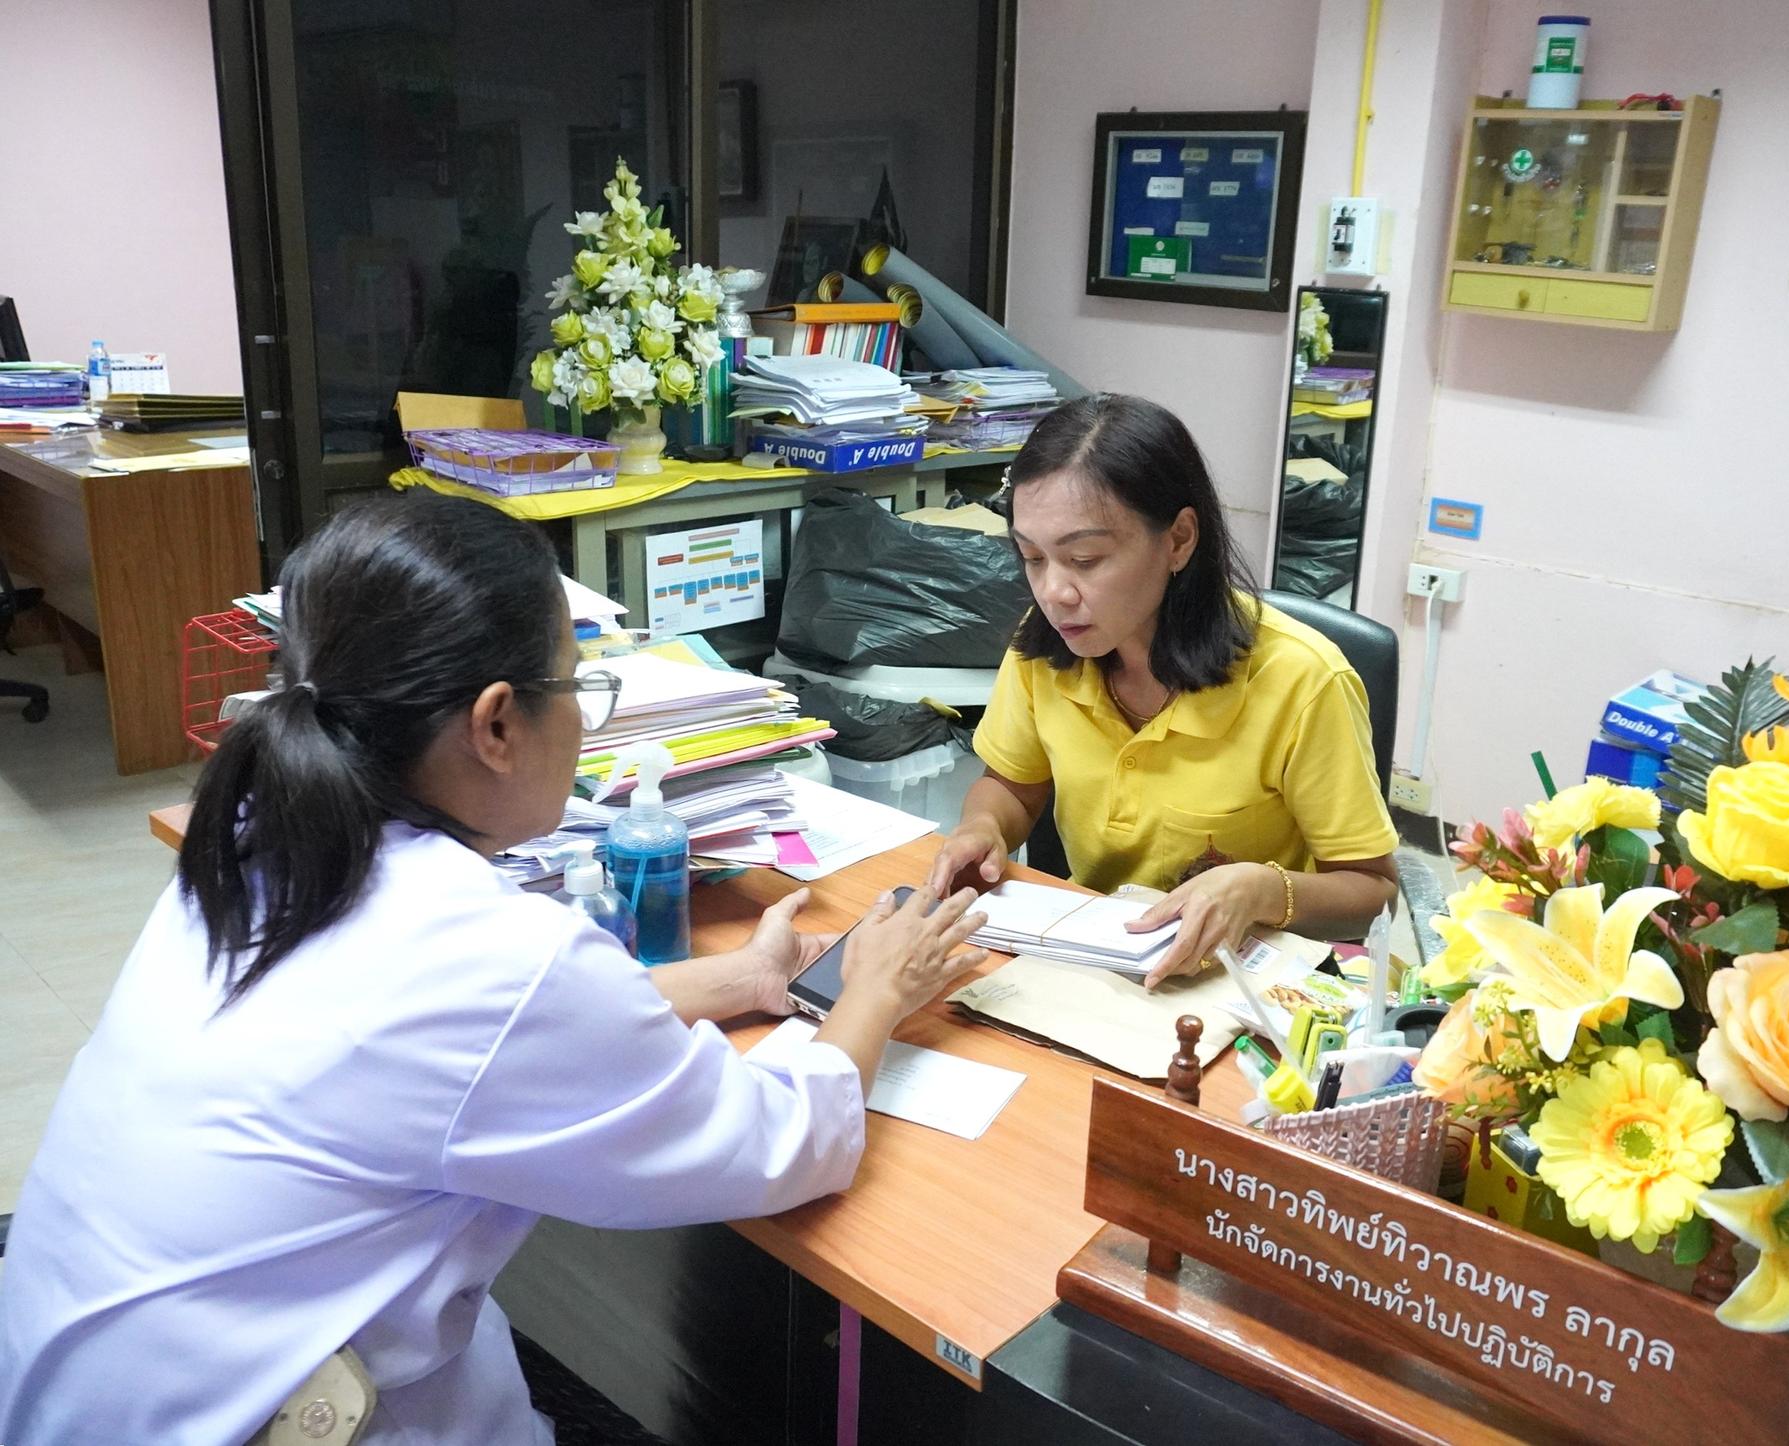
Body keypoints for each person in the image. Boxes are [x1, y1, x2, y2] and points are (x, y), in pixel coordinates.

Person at [0, 493, 985, 1445]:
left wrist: (734, 982)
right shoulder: (488, 955)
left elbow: (456, 1054)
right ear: (497, 723)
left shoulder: (257, 841)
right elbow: (778, 1145)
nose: (588, 722)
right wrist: (874, 993)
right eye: (580, 686)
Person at [928, 393, 1398, 985]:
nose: (1054, 592)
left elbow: (1375, 893)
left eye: (1085, 558)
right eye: (1032, 558)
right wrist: (982, 829)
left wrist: (1262, 889)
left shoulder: (1301, 679)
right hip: (1095, 957)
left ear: (1178, 539)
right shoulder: (1046, 646)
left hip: (1244, 983)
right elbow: (1012, 790)